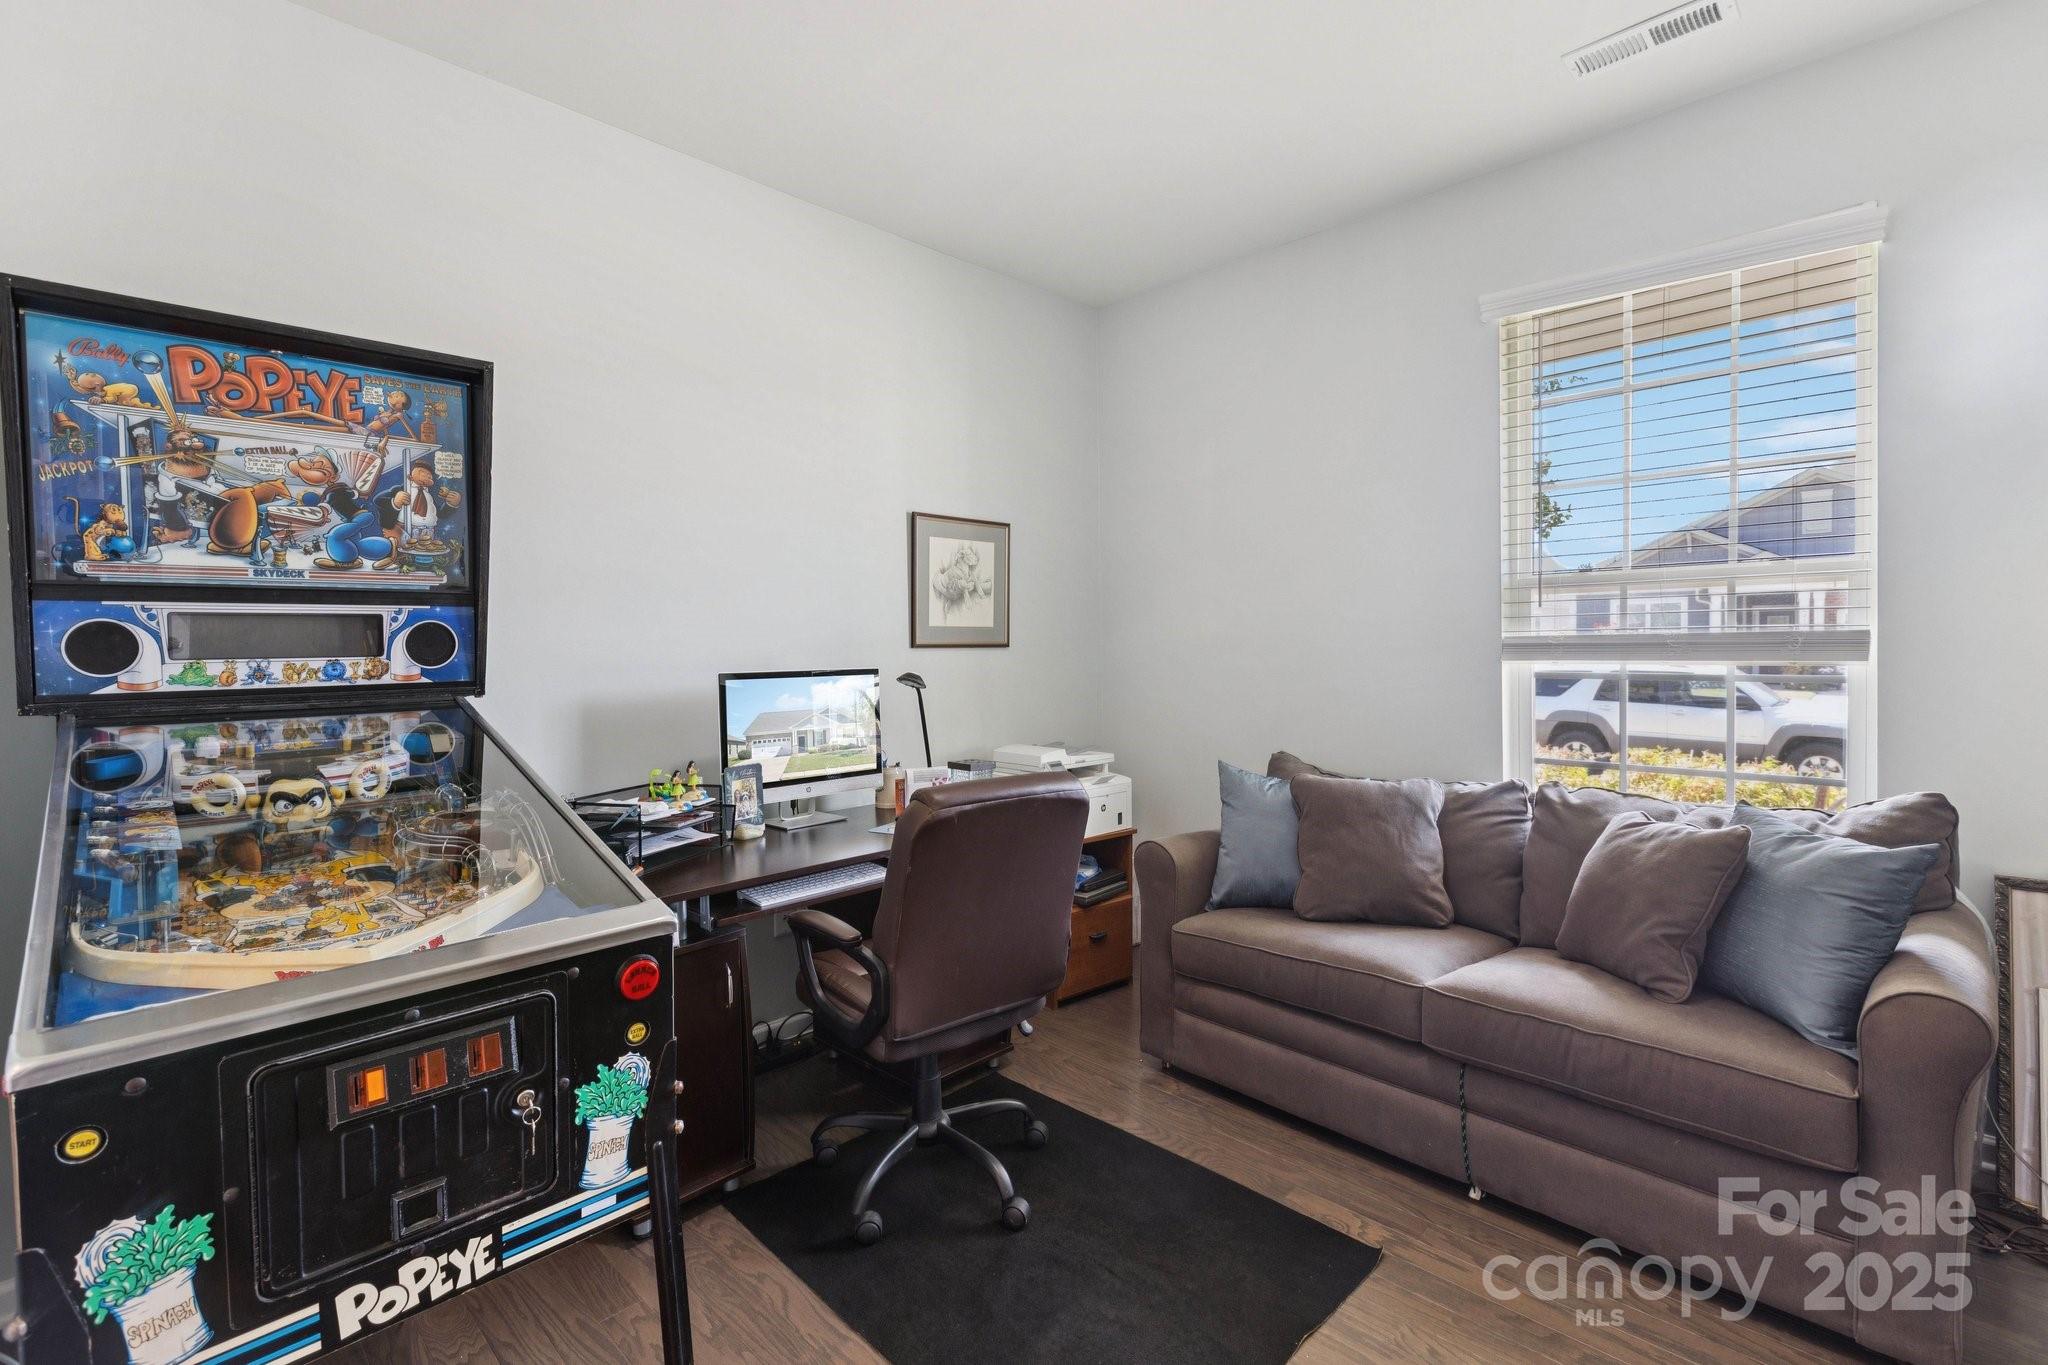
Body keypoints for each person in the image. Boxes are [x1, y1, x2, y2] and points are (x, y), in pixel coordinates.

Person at [287, 448, 391, 571]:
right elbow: (331, 504)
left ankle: (344, 561)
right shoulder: (329, 494)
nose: (314, 467)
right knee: (355, 542)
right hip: (355, 519)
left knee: (335, 536)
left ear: (335, 475)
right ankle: (387, 548)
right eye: (313, 465)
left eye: (321, 466)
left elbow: (352, 495)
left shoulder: (338, 489)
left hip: (360, 517)